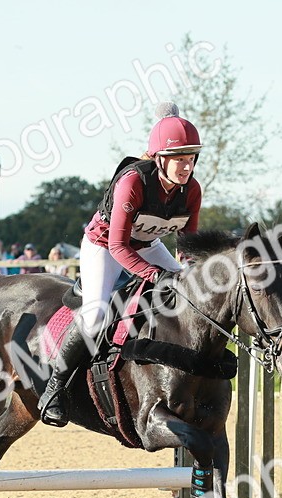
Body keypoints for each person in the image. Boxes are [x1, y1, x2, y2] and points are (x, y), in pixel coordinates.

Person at [37, 106, 202, 428]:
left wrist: (189, 270)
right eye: (179, 159)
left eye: (191, 158)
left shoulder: (191, 190)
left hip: (148, 245)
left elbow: (188, 246)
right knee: (97, 313)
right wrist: (156, 275)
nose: (187, 166)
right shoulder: (133, 182)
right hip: (104, 246)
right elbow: (117, 246)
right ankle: (55, 387)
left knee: (191, 292)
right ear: (159, 159)